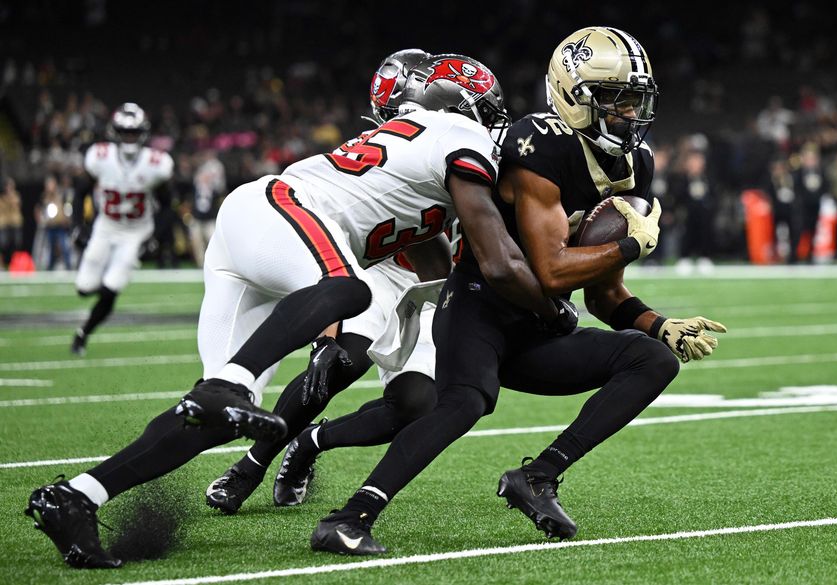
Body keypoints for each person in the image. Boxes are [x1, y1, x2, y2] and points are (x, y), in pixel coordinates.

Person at [25, 54, 573, 569]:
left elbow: (436, 260)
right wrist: (551, 305)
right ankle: (233, 383)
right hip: (283, 212)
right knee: (348, 289)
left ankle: (76, 497)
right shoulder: (465, 137)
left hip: (250, 237)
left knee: (209, 419)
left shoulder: (419, 146)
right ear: (477, 109)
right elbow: (496, 262)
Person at [310, 27, 727, 556]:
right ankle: (349, 518)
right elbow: (551, 272)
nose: (629, 113)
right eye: (616, 99)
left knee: (652, 360)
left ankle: (539, 476)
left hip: (539, 324)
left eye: (636, 100)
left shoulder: (634, 164)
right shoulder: (541, 143)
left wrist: (658, 324)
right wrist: (627, 246)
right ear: (575, 97)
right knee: (463, 402)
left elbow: (602, 294)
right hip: (481, 305)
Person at [203, 48, 457, 514]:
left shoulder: (474, 151)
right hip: (375, 269)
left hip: (433, 287)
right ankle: (251, 464)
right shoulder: (394, 155)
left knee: (415, 403)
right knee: (340, 362)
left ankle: (309, 443)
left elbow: (442, 252)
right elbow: (341, 237)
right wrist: (328, 327)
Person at [69, 103, 175, 355]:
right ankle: (103, 283)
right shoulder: (100, 158)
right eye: (125, 132)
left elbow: (168, 206)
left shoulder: (155, 164)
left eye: (134, 132)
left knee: (110, 288)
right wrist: (77, 226)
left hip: (135, 232)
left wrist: (154, 238)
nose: (130, 137)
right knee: (84, 288)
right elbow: (80, 192)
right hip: (106, 226)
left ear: (143, 133)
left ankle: (83, 334)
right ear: (114, 132)